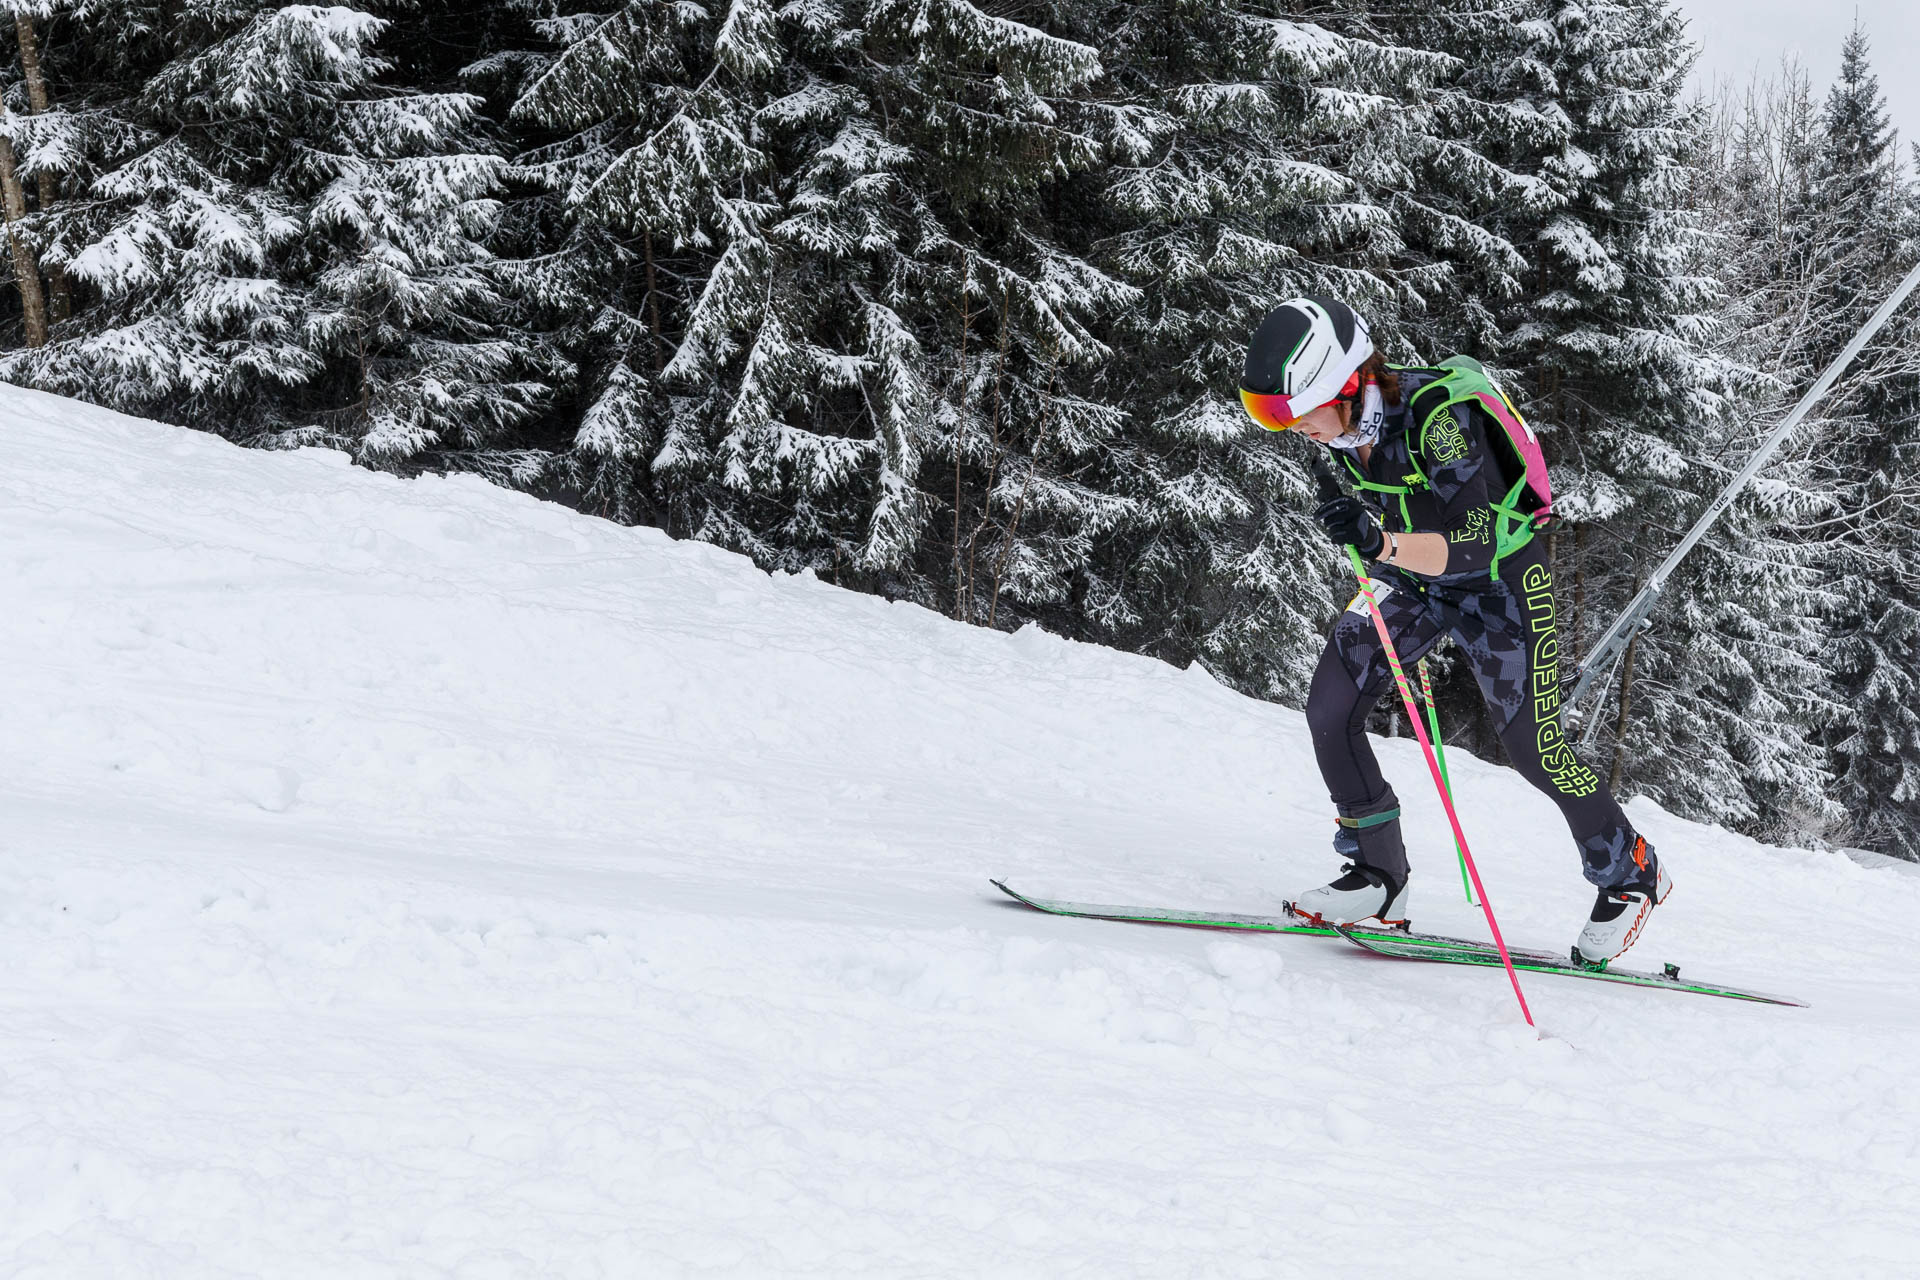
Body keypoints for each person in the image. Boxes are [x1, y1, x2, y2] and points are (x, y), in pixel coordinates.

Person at [1237, 295, 1669, 965]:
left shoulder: (1439, 422)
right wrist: (1380, 541)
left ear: (1344, 385)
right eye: (1273, 416)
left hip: (1498, 580)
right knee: (1331, 703)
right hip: (1415, 577)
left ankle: (1630, 871)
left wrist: (1378, 540)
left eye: (1293, 412)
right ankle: (1378, 876)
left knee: (1532, 747)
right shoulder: (1346, 430)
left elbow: (1470, 544)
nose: (1292, 428)